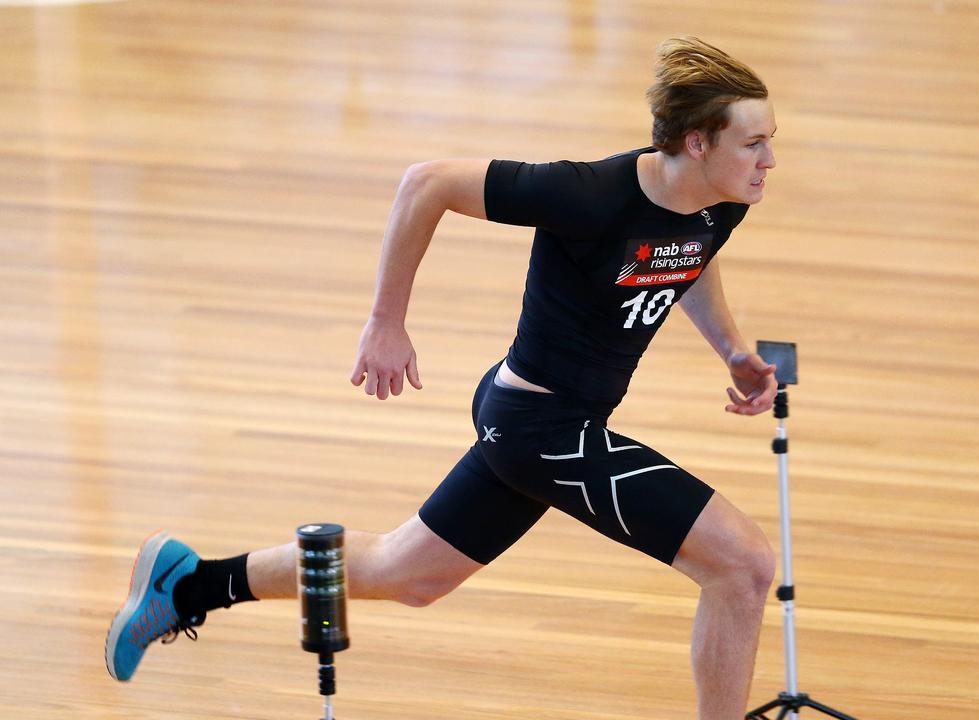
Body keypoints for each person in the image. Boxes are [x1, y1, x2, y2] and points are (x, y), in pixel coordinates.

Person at [105, 36, 780, 720]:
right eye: (754, 143)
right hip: (538, 423)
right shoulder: (588, 194)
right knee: (743, 565)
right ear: (697, 143)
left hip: (553, 423)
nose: (769, 161)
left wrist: (730, 348)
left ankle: (190, 584)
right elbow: (427, 182)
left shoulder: (721, 201)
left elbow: (686, 252)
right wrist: (386, 322)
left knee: (407, 576)